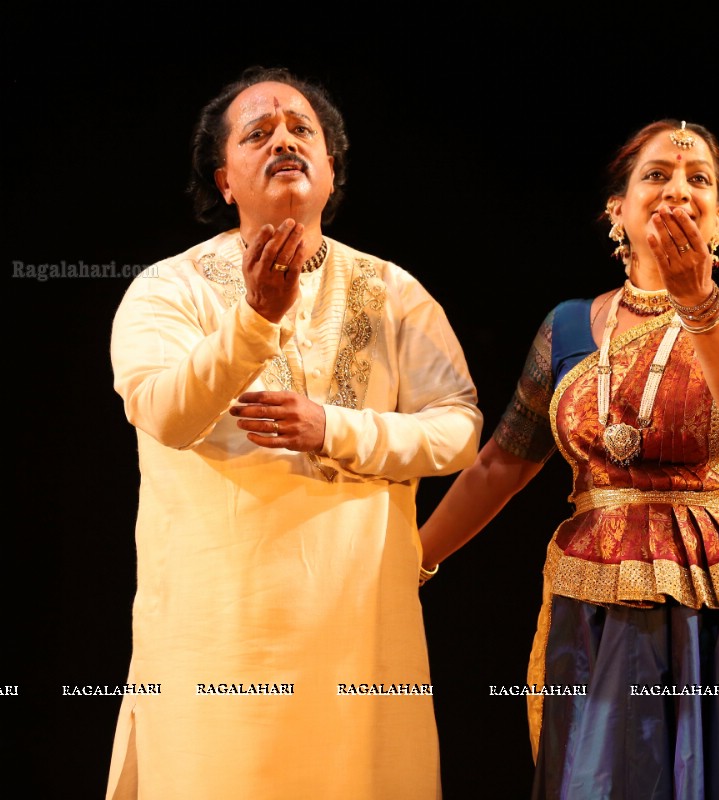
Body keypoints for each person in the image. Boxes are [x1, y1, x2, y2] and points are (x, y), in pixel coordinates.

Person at [419, 119, 719, 799]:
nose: (678, 189)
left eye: (698, 179)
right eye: (656, 175)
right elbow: (500, 464)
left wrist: (697, 304)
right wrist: (413, 561)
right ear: (616, 211)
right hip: (599, 595)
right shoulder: (568, 327)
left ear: (718, 219)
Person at [106, 66, 482, 799]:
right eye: (258, 133)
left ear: (332, 166)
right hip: (220, 636)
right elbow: (163, 411)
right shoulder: (168, 289)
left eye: (301, 129)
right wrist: (253, 320)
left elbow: (459, 431)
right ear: (224, 180)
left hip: (361, 631)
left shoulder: (393, 293)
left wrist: (333, 428)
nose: (284, 139)